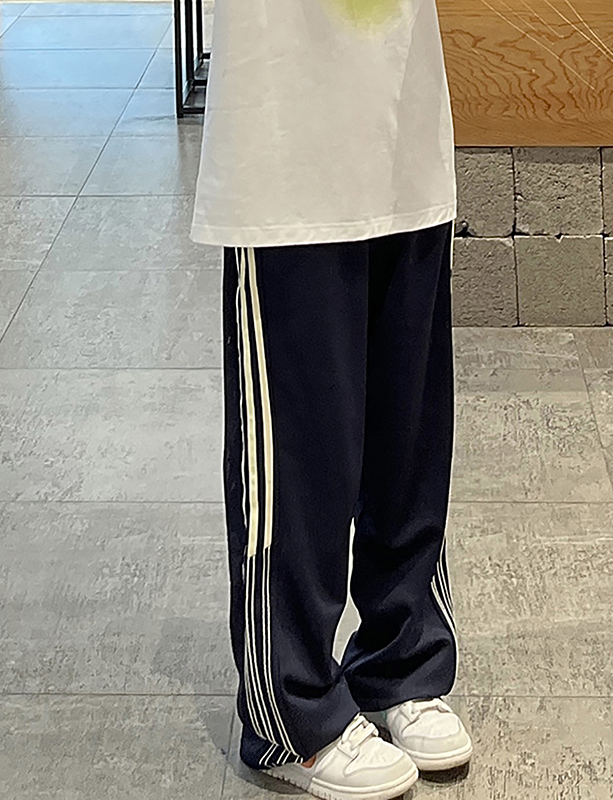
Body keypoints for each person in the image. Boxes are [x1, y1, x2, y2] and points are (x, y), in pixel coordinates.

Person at [190, 0, 472, 797]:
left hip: (403, 118)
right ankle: (291, 713)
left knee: (408, 432)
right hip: (286, 140)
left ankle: (401, 659)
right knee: (300, 453)